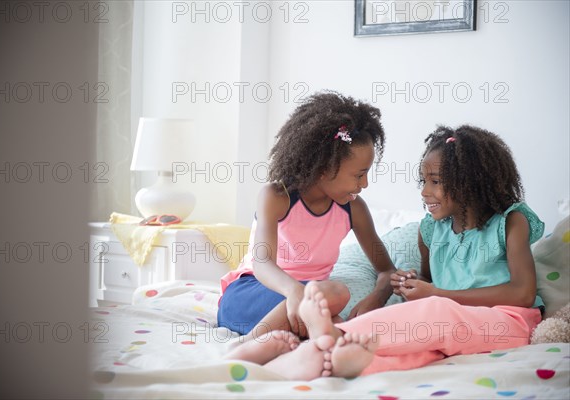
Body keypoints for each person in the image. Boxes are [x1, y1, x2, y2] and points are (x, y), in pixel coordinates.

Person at [226, 124, 545, 379]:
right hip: (454, 327)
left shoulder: (511, 222)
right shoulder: (432, 231)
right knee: (420, 350)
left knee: (434, 314)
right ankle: (325, 359)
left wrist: (435, 293)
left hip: (507, 321)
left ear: (470, 183)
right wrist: (415, 287)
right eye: (423, 180)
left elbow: (522, 294)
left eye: (434, 182)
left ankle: (331, 336)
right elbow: (431, 285)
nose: (424, 191)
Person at [217, 91, 398, 343]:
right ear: (325, 168)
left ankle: (294, 349)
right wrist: (294, 291)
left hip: (307, 304)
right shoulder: (276, 196)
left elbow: (387, 271)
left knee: (337, 327)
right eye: (359, 175)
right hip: (251, 295)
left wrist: (375, 298)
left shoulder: (354, 210)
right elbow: (261, 263)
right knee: (336, 293)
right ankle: (246, 347)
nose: (365, 184)